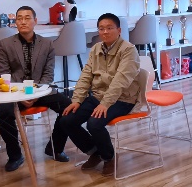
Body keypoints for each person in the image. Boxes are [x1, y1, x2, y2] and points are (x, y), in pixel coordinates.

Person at [56, 13, 139, 176]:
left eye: (109, 28)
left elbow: (120, 81)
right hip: (98, 96)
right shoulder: (96, 48)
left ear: (119, 30)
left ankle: (109, 157)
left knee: (94, 124)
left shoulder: (128, 50)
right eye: (101, 29)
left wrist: (105, 104)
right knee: (66, 120)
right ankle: (95, 152)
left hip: (122, 98)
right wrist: (77, 100)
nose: (105, 32)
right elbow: (86, 76)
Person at [0, 6, 70, 170]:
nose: (23, 21)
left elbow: (48, 74)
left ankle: (55, 148)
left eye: (27, 18)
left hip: (40, 91)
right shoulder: (5, 44)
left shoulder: (47, 44)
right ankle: (15, 155)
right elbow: (4, 74)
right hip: (15, 93)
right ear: (15, 22)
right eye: (19, 18)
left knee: (68, 107)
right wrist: (21, 96)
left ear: (35, 21)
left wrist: (36, 94)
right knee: (4, 113)